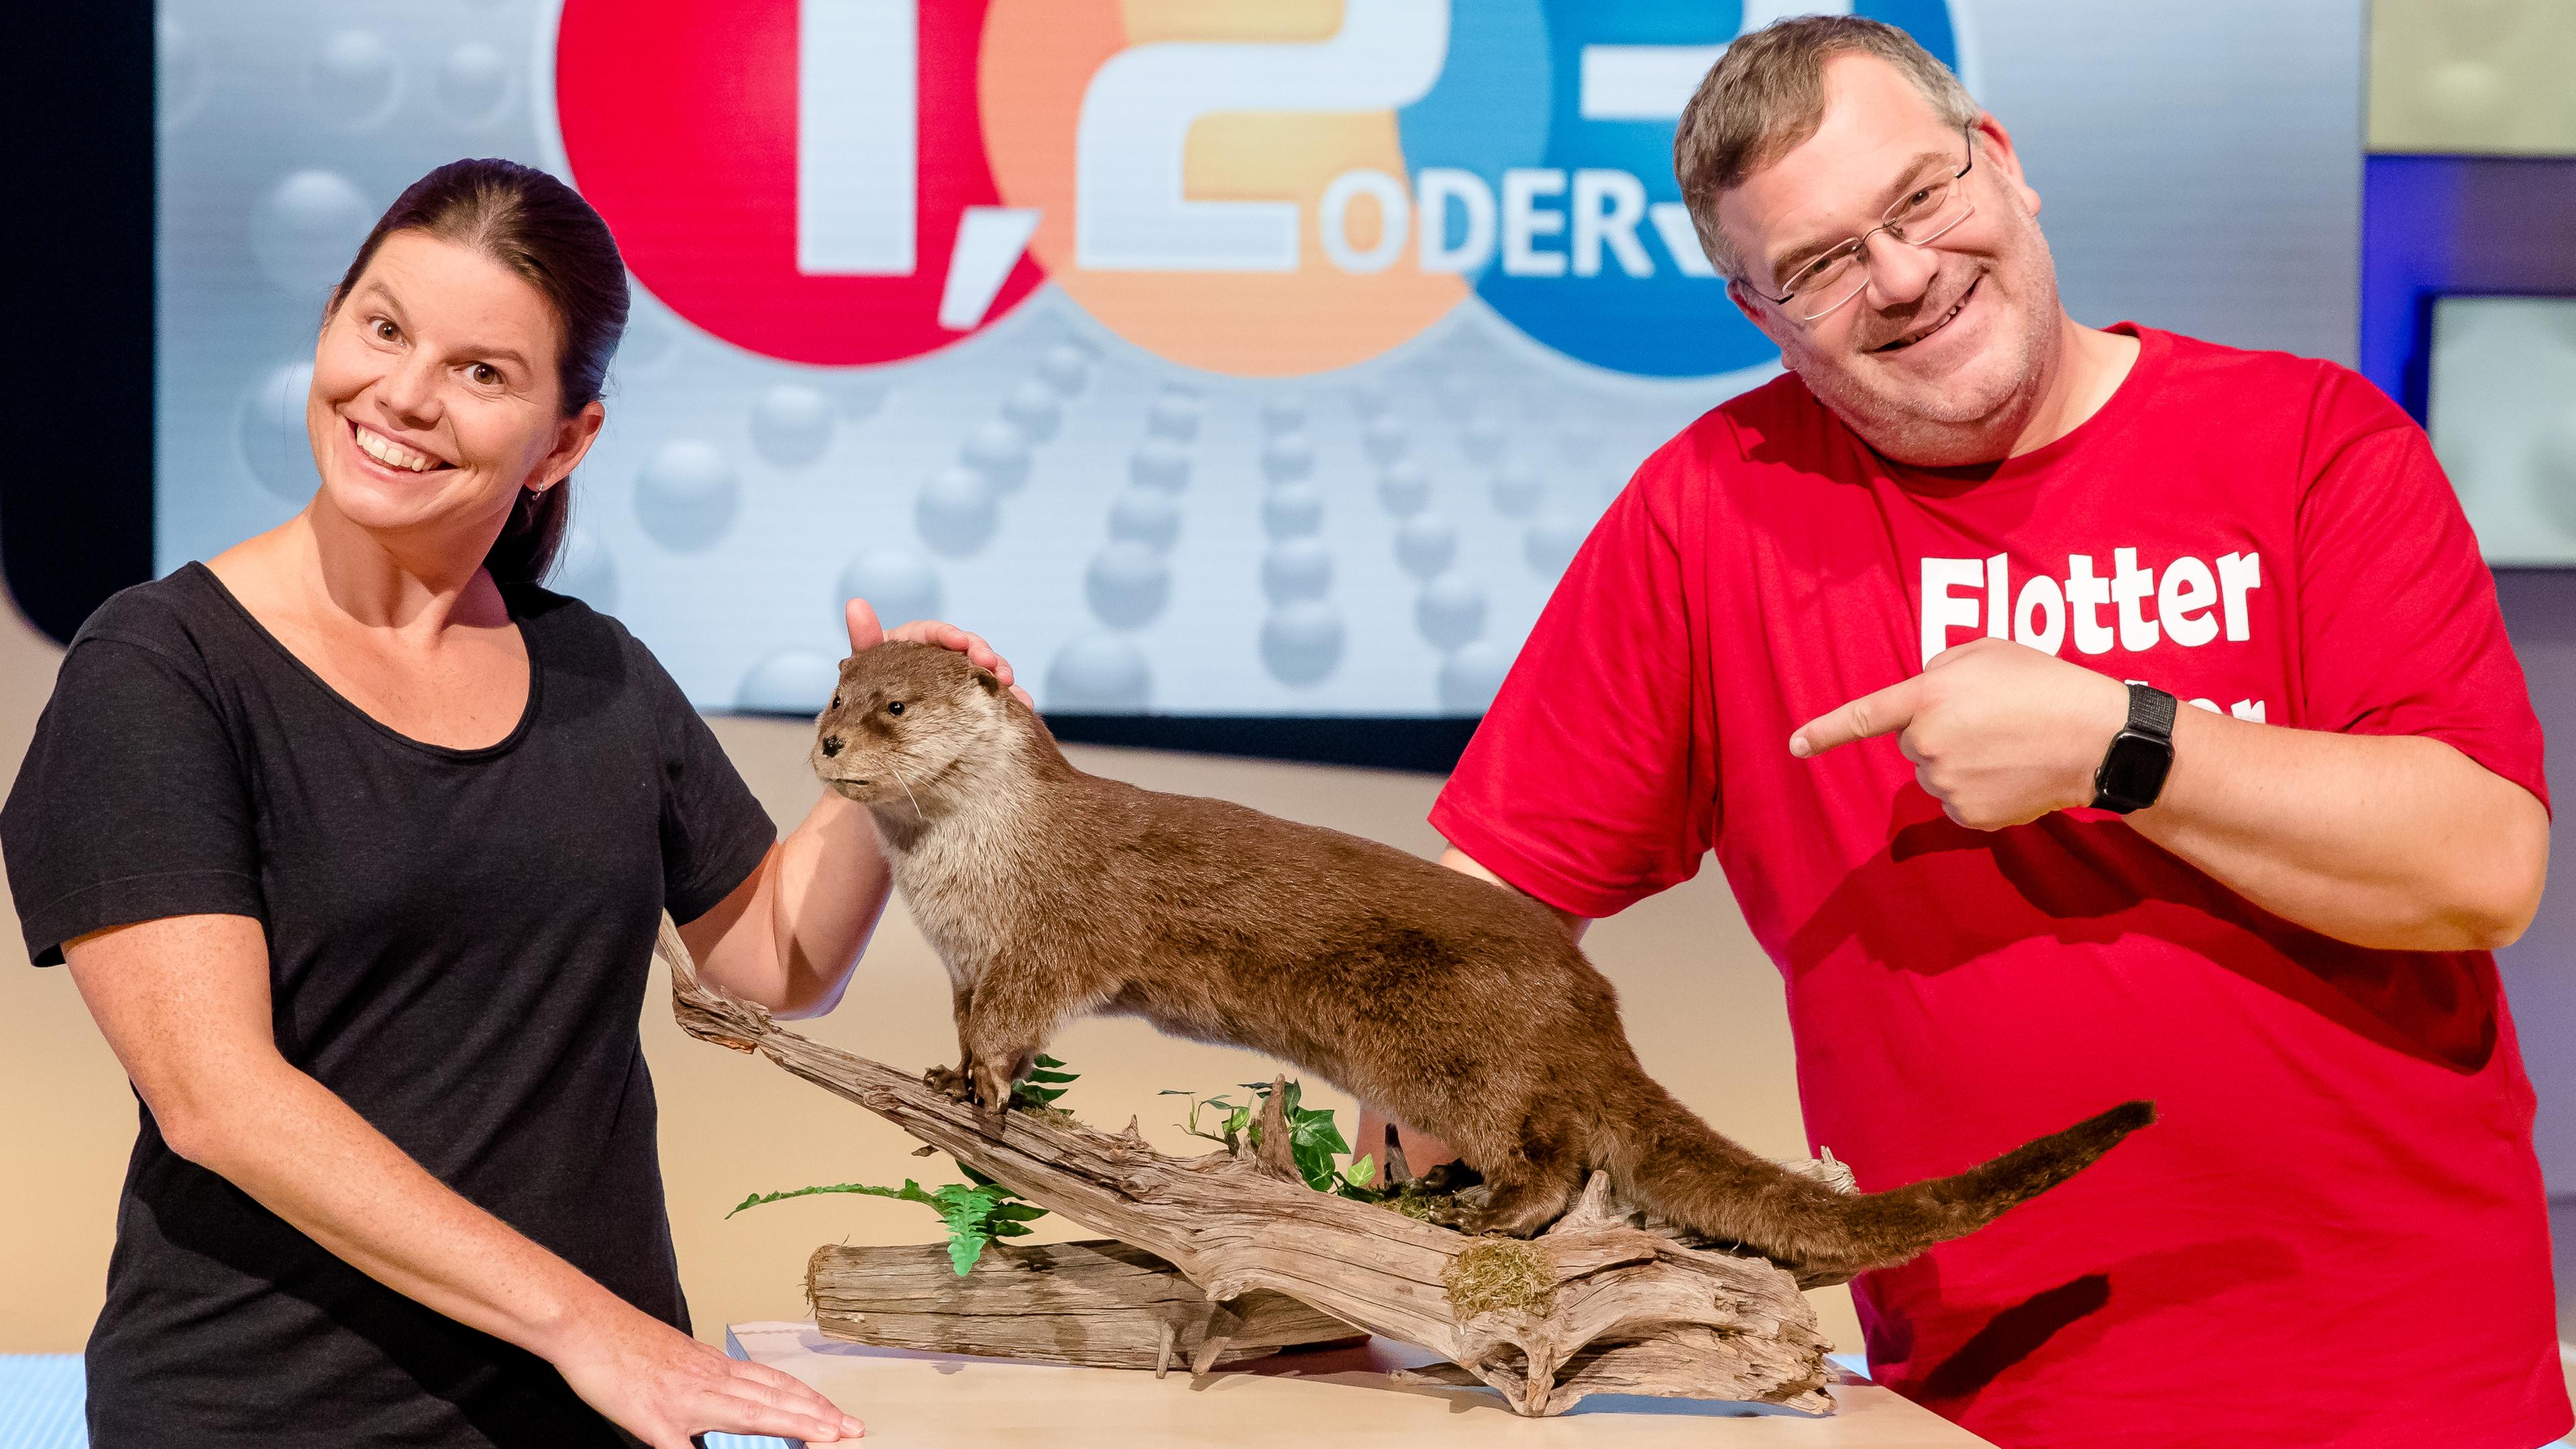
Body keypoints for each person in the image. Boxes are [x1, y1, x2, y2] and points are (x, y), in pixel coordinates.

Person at [1392, 18, 2570, 1449]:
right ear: (1760, 316)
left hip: (2405, 1391)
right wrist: (1334, 1177)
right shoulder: (1714, 513)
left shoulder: (2312, 440)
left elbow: (2483, 866)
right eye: (1821, 265)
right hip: (1989, 1409)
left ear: (2000, 165)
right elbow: (1467, 935)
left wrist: (2120, 743)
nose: (1900, 277)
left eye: (1919, 199)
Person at [1, 158, 1024, 1448]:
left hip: (588, 1415)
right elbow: (218, 1097)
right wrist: (589, 1328)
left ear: (566, 441)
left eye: (484, 373)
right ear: (328, 324)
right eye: (383, 328)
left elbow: (774, 963)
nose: (406, 396)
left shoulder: (595, 670)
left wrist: (902, 756)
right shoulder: (158, 669)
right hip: (271, 1414)